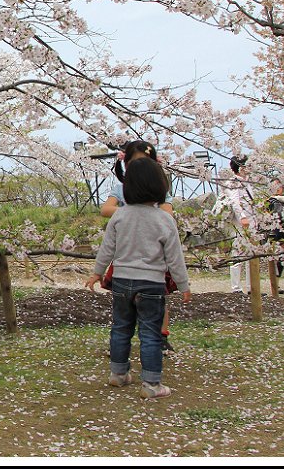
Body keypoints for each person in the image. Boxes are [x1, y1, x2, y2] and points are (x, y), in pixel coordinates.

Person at [87, 157, 192, 399]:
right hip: (152, 283)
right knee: (150, 333)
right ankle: (152, 384)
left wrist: (97, 273)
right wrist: (183, 284)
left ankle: (118, 373)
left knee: (121, 329)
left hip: (122, 281)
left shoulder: (120, 216)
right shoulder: (164, 219)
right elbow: (174, 257)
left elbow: (107, 249)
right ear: (159, 186)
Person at [100, 140, 176, 351]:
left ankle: (161, 336)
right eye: (134, 162)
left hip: (153, 254)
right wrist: (134, 214)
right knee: (123, 302)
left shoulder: (160, 190)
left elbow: (168, 213)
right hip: (127, 253)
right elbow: (106, 209)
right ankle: (120, 340)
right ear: (125, 164)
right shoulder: (121, 189)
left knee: (160, 298)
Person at [220, 155, 255, 294]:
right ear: (240, 167)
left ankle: (251, 286)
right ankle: (236, 287)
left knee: (250, 253)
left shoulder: (247, 182)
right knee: (238, 252)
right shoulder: (233, 182)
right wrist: (243, 217)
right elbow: (235, 202)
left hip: (251, 221)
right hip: (240, 222)